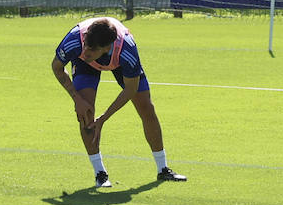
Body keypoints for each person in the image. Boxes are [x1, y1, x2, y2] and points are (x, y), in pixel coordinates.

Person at [50, 16, 187, 188]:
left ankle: (163, 169)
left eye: (91, 50)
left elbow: (131, 89)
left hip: (119, 62)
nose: (85, 53)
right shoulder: (76, 42)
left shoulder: (127, 50)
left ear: (106, 48)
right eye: (85, 46)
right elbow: (56, 67)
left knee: (146, 107)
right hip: (86, 67)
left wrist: (104, 118)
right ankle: (100, 173)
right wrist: (77, 99)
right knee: (86, 113)